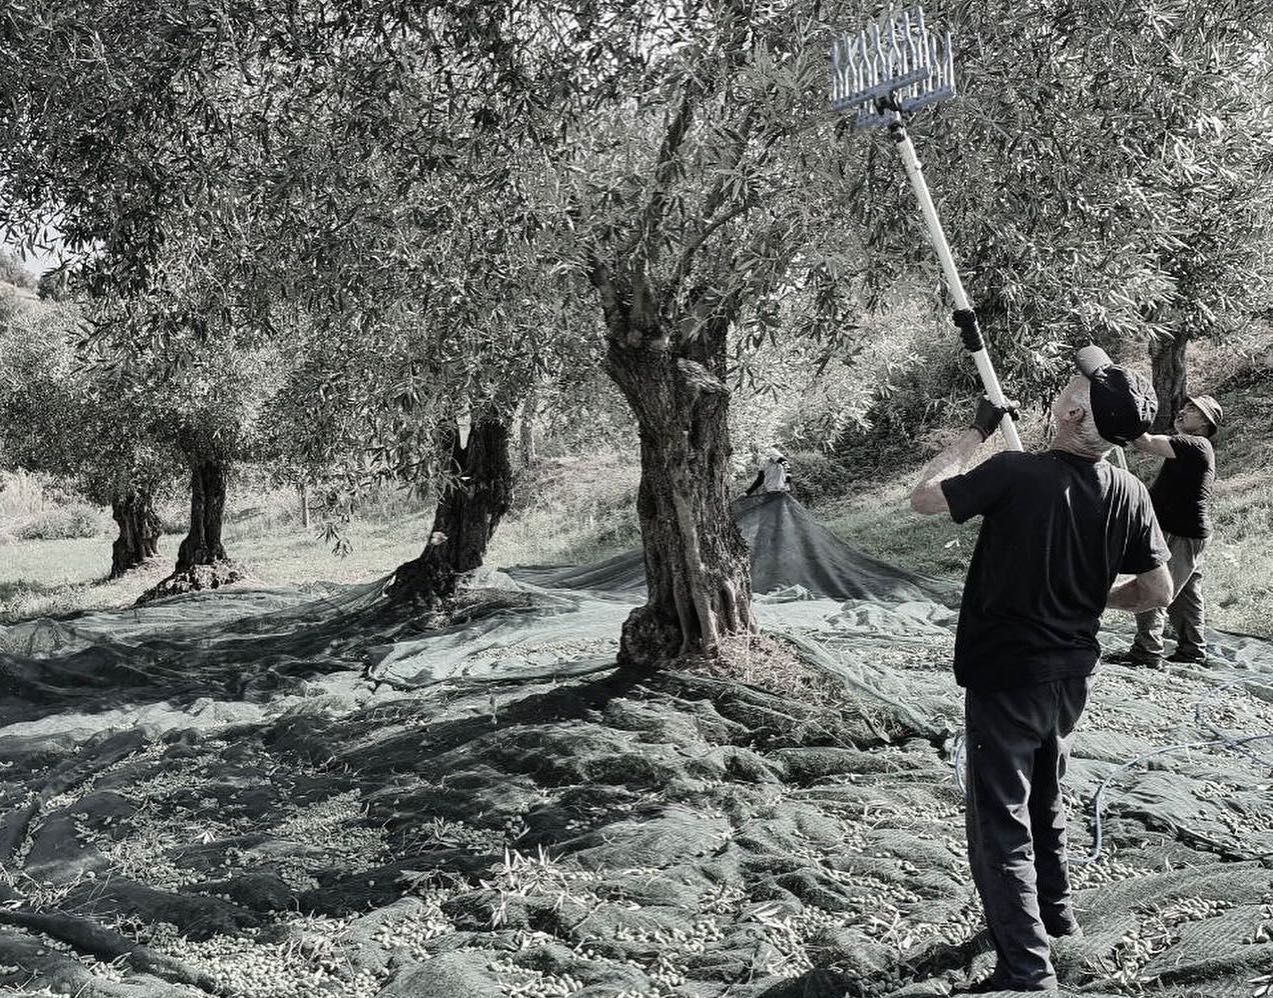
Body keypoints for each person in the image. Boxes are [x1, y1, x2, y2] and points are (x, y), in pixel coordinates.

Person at [909, 346, 1172, 994]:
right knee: (1045, 797)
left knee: (999, 824)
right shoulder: (1129, 492)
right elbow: (1157, 589)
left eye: (1072, 384)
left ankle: (1027, 972)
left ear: (1072, 412)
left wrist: (975, 432)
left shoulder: (1014, 472)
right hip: (1070, 677)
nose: (1065, 385)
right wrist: (1092, 598)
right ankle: (1056, 918)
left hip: (1006, 676)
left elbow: (922, 500)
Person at [1106, 394, 1222, 668]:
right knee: (1186, 596)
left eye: (1192, 409)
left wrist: (1121, 412)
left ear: (1205, 422)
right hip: (1189, 533)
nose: (1182, 411)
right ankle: (1192, 650)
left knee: (1153, 587)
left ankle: (1146, 652)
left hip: (1178, 533)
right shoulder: (1193, 447)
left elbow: (1144, 442)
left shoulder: (1195, 444)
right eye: (1185, 406)